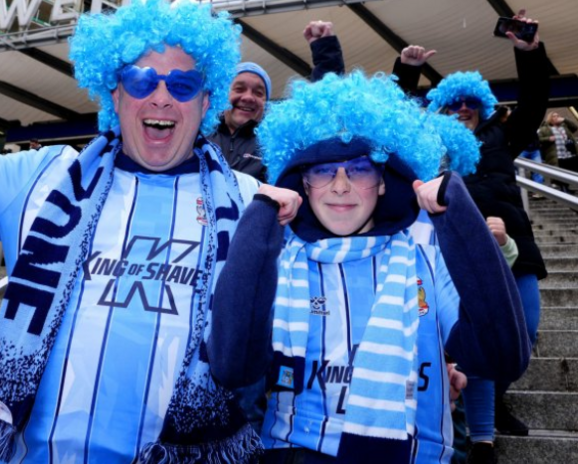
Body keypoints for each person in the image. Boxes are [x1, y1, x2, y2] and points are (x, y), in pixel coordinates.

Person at [0, 0, 294, 463]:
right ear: (115, 94)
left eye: (183, 84)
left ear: (206, 101)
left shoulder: (255, 204)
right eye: (141, 79)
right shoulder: (39, 177)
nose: (161, 96)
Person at [208, 72, 530, 463]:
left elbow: (501, 358)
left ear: (383, 180)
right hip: (295, 450)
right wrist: (258, 223)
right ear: (302, 181)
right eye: (323, 169)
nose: (340, 186)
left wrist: (461, 219)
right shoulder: (283, 258)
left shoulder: (424, 254)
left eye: (359, 168)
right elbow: (232, 365)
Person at [422, 12, 550, 447]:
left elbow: (534, 102)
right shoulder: (431, 149)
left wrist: (529, 51)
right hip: (459, 254)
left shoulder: (502, 135)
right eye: (453, 104)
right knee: (472, 338)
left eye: (470, 103)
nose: (462, 110)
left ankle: (497, 399)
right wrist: (406, 69)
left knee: (525, 331)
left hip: (513, 246)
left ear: (482, 107)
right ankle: (479, 429)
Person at [208, 20, 344, 182]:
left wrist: (325, 50)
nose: (248, 97)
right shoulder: (197, 134)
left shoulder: (279, 142)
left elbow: (323, 104)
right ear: (224, 94)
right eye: (239, 88)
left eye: (258, 92)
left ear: (266, 103)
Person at [537, 111, 578, 192]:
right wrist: (548, 139)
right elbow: (538, 139)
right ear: (550, 118)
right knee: (559, 173)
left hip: (567, 154)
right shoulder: (544, 129)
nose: (557, 117)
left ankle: (566, 188)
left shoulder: (564, 126)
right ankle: (563, 189)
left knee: (568, 172)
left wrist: (565, 120)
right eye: (554, 116)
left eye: (558, 116)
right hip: (556, 155)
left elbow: (575, 128)